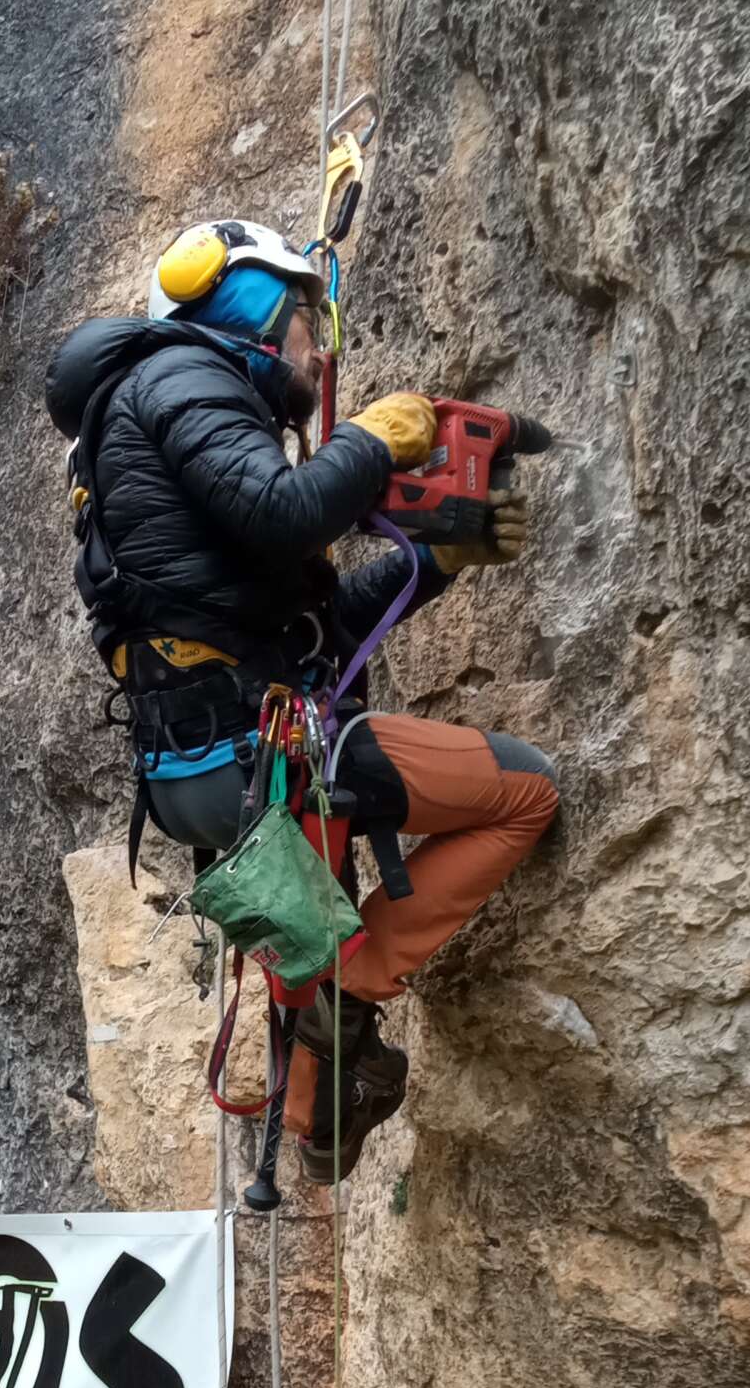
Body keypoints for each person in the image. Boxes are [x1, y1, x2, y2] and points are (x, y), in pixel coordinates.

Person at [46, 220, 559, 1181]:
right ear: (254, 314)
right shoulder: (181, 381)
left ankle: (316, 1117)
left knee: (307, 966)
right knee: (525, 792)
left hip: (206, 774)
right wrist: (368, 440)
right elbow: (287, 514)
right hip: (271, 758)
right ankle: (353, 990)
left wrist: (441, 557)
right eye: (307, 326)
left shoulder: (143, 419)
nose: (318, 354)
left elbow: (308, 626)